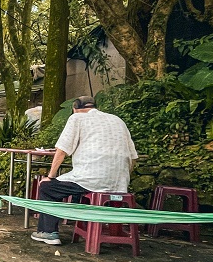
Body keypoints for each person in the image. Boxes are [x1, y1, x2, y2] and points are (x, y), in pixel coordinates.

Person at [31, 96, 138, 245]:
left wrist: (50, 176)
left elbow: (61, 150)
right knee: (78, 188)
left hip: (91, 179)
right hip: (120, 182)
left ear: (75, 109)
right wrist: (121, 179)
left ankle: (49, 232)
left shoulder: (77, 118)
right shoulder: (117, 120)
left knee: (47, 187)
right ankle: (87, 226)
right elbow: (133, 158)